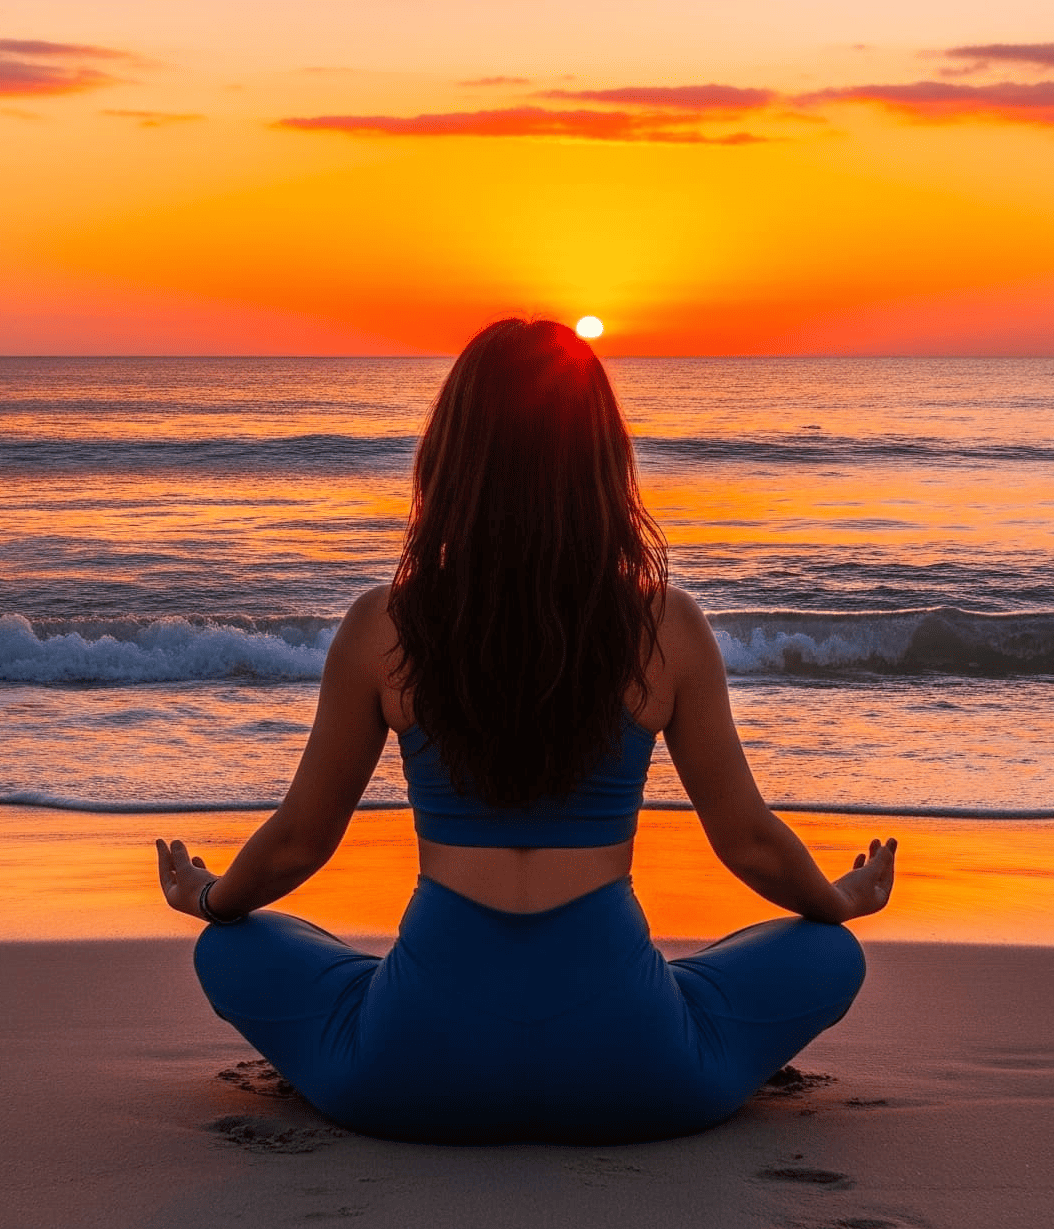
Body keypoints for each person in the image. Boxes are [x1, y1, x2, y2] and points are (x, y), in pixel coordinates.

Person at [156, 318, 897, 1145]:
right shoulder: (666, 627)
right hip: (632, 1068)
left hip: (416, 1069)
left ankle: (416, 996)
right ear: (604, 462)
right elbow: (749, 841)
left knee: (229, 948)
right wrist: (837, 899)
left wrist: (209, 896)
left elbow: (299, 841)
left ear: (449, 459)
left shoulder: (384, 626)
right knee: (832, 955)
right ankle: (645, 999)